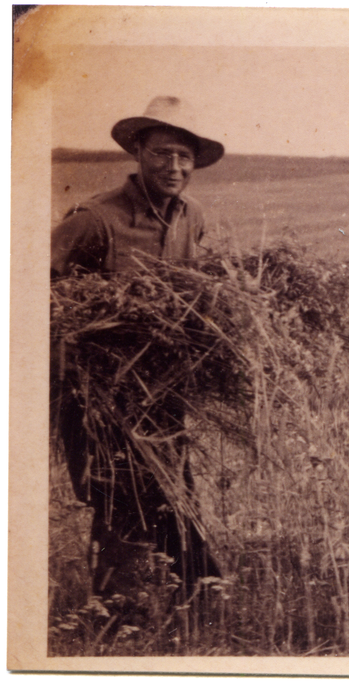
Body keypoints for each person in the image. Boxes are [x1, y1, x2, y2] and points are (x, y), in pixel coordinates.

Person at [51, 96, 225, 597]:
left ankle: (198, 590)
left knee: (173, 485)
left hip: (165, 385)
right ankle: (116, 615)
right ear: (137, 153)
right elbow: (28, 286)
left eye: (184, 157)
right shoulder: (95, 219)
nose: (174, 167)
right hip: (100, 391)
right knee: (116, 497)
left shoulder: (192, 215)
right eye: (162, 154)